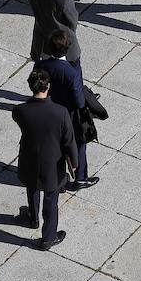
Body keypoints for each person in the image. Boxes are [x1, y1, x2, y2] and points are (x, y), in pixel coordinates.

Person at [12, 69, 77, 251]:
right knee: (51, 199)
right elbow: (69, 141)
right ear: (48, 87)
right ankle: (48, 237)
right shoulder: (60, 112)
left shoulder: (20, 111)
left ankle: (32, 218)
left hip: (30, 159)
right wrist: (74, 162)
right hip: (53, 163)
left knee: (32, 188)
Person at [34, 29, 97, 191]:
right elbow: (78, 100)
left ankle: (58, 178)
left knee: (55, 145)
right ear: (67, 49)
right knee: (79, 143)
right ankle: (80, 177)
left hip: (48, 110)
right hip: (68, 114)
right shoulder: (71, 72)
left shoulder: (42, 65)